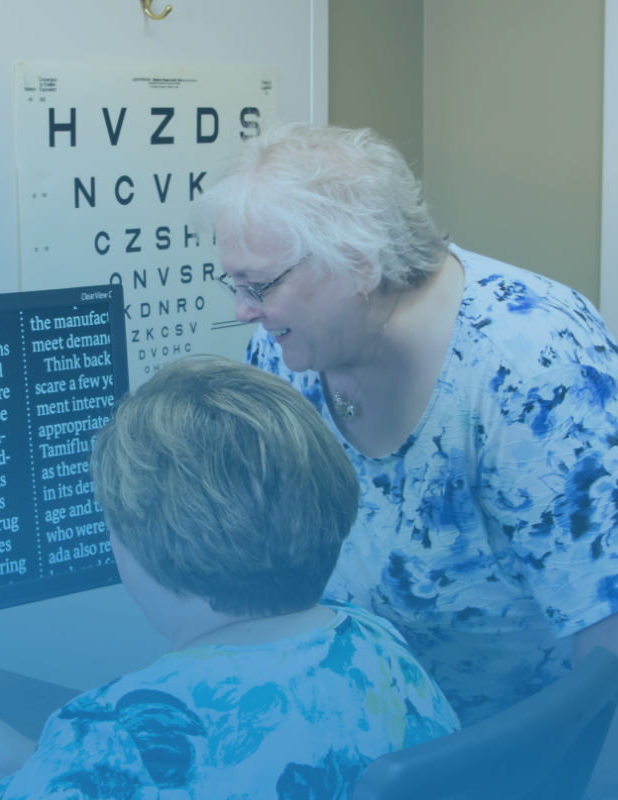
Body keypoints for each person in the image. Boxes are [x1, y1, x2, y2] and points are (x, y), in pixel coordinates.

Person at [192, 123, 618, 797]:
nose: (244, 311)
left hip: (504, 754)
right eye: (235, 284)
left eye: (260, 285)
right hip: (344, 728)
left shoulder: (534, 364)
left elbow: (607, 629)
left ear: (362, 263)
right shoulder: (285, 346)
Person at [0, 357, 459, 798]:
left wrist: (64, 767)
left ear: (140, 544)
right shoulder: (377, 642)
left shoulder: (114, 729)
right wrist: (54, 769)